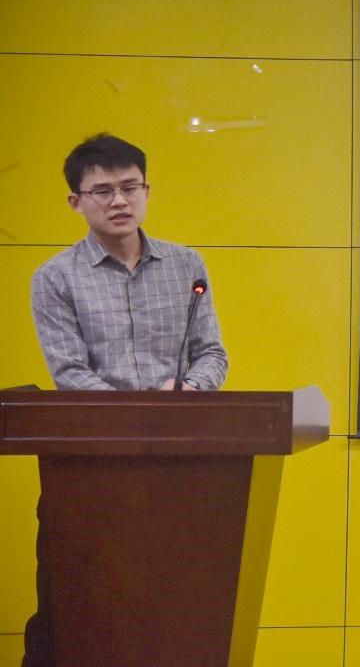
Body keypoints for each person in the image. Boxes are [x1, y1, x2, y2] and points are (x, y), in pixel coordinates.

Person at [22, 133, 228, 667]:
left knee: (176, 608)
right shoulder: (55, 278)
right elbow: (70, 373)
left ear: (147, 191)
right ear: (76, 201)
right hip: (92, 473)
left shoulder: (186, 266)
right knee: (80, 610)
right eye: (103, 190)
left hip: (181, 468)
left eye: (130, 187)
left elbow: (211, 354)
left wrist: (191, 390)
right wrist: (140, 415)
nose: (119, 200)